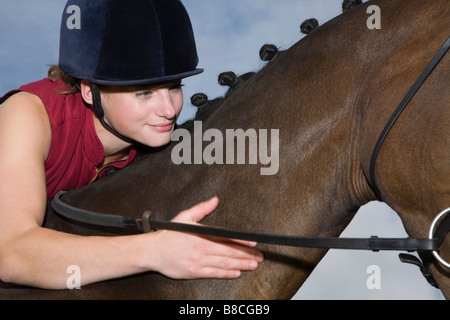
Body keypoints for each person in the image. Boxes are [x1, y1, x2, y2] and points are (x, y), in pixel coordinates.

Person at [0, 0, 263, 290]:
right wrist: (155, 251)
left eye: (174, 86)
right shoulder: (27, 114)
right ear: (90, 91)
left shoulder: (153, 145)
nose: (169, 109)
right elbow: (12, 254)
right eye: (145, 92)